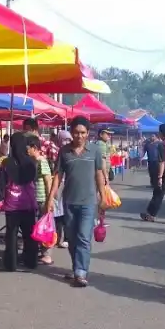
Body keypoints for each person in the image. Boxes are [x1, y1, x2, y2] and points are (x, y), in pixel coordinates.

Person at [45, 116, 107, 287]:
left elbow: (99, 174)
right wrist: (50, 199)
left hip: (89, 202)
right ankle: (76, 267)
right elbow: (57, 176)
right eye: (76, 133)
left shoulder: (94, 151)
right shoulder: (64, 152)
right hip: (69, 202)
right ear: (71, 133)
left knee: (84, 237)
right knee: (71, 238)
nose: (79, 136)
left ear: (87, 134)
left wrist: (103, 196)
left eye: (82, 133)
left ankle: (80, 272)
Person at [0, 132, 39, 271]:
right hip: (28, 204)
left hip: (12, 204)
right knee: (29, 235)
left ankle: (11, 264)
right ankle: (31, 261)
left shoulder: (7, 162)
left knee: (11, 236)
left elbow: (1, 183)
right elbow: (34, 180)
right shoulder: (32, 161)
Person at [27, 135, 54, 265]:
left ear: (34, 148)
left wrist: (50, 200)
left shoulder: (41, 161)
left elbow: (48, 180)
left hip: (43, 199)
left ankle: (47, 254)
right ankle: (41, 252)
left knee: (45, 227)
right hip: (36, 199)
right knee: (39, 227)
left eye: (28, 148)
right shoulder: (34, 162)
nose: (27, 151)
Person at [54, 130, 72, 248]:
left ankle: (67, 237)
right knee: (58, 213)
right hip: (59, 185)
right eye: (64, 139)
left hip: (70, 186)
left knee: (68, 212)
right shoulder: (55, 151)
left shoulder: (72, 152)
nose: (66, 142)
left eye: (68, 139)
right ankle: (58, 237)